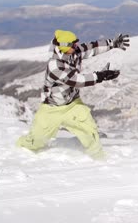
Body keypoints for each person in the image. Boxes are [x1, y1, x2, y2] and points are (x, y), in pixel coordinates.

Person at [16, 29, 130, 159]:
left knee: (89, 130)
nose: (76, 47)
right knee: (36, 139)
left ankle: (99, 159)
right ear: (64, 47)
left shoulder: (72, 52)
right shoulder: (55, 66)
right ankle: (20, 152)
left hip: (73, 104)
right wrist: (101, 76)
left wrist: (113, 43)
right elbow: (75, 80)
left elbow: (91, 48)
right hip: (52, 108)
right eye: (72, 45)